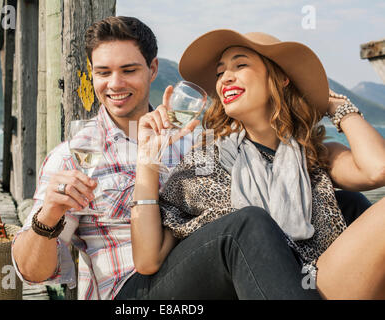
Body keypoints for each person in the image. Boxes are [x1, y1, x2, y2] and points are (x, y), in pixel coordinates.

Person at [11, 16, 374, 300]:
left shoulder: (202, 141)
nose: (115, 83)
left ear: (153, 70)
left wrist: (327, 105)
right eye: (103, 72)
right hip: (136, 292)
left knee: (348, 206)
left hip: (221, 276)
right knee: (246, 225)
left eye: (129, 70)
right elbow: (33, 273)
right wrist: (48, 218)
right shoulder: (75, 154)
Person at [126, 30, 385, 300]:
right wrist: (147, 156)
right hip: (219, 290)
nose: (226, 77)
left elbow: (377, 169)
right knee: (250, 222)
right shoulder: (205, 157)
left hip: (306, 282)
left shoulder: (314, 155)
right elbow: (148, 259)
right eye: (220, 72)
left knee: (352, 203)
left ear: (281, 78)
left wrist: (334, 105)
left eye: (240, 65)